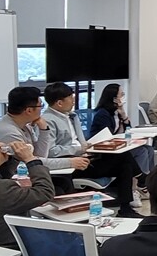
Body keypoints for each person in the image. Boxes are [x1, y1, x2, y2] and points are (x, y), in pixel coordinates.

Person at [41, 83, 142, 217]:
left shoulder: (72, 116)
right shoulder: (48, 121)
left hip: (85, 157)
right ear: (59, 103)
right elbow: (51, 151)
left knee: (125, 165)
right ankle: (142, 180)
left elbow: (81, 141)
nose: (73, 101)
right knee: (123, 158)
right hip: (70, 165)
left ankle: (125, 209)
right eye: (71, 98)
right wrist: (78, 149)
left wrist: (87, 147)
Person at [0, 86, 85, 173]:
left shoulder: (24, 125)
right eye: (41, 106)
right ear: (29, 110)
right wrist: (70, 162)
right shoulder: (9, 132)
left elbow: (40, 155)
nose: (42, 109)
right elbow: (30, 162)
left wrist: (44, 129)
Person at [90, 83, 153, 192]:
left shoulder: (117, 112)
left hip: (117, 146)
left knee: (149, 149)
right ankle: (140, 183)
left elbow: (128, 130)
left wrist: (124, 116)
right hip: (103, 152)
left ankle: (147, 180)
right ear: (114, 99)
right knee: (141, 152)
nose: (123, 97)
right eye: (121, 95)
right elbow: (107, 136)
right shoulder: (102, 114)